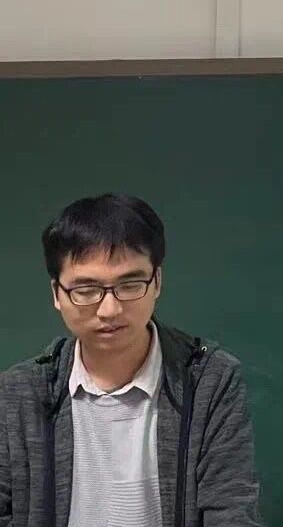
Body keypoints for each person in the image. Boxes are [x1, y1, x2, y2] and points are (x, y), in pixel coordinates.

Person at [0, 194, 262, 527]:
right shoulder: (19, 393)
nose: (109, 310)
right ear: (57, 294)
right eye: (86, 290)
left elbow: (231, 512)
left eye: (130, 284)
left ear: (157, 282)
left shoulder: (209, 382)